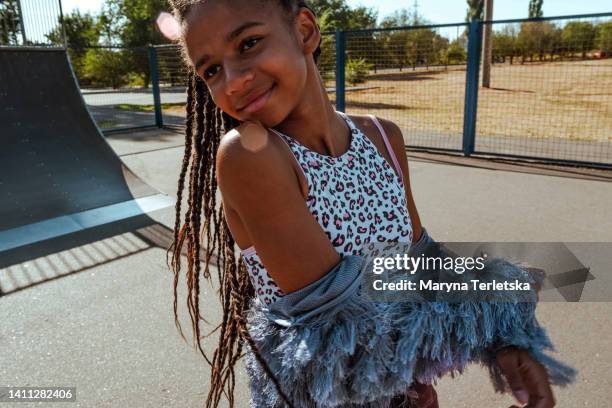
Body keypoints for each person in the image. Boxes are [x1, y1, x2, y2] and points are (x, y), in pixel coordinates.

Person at [166, 1, 573, 407]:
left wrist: (506, 337)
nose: (232, 82)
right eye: (212, 71)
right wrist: (494, 303)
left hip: (404, 390)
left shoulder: (382, 137)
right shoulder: (249, 155)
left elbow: (421, 257)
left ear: (305, 30)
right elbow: (342, 312)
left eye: (249, 43)